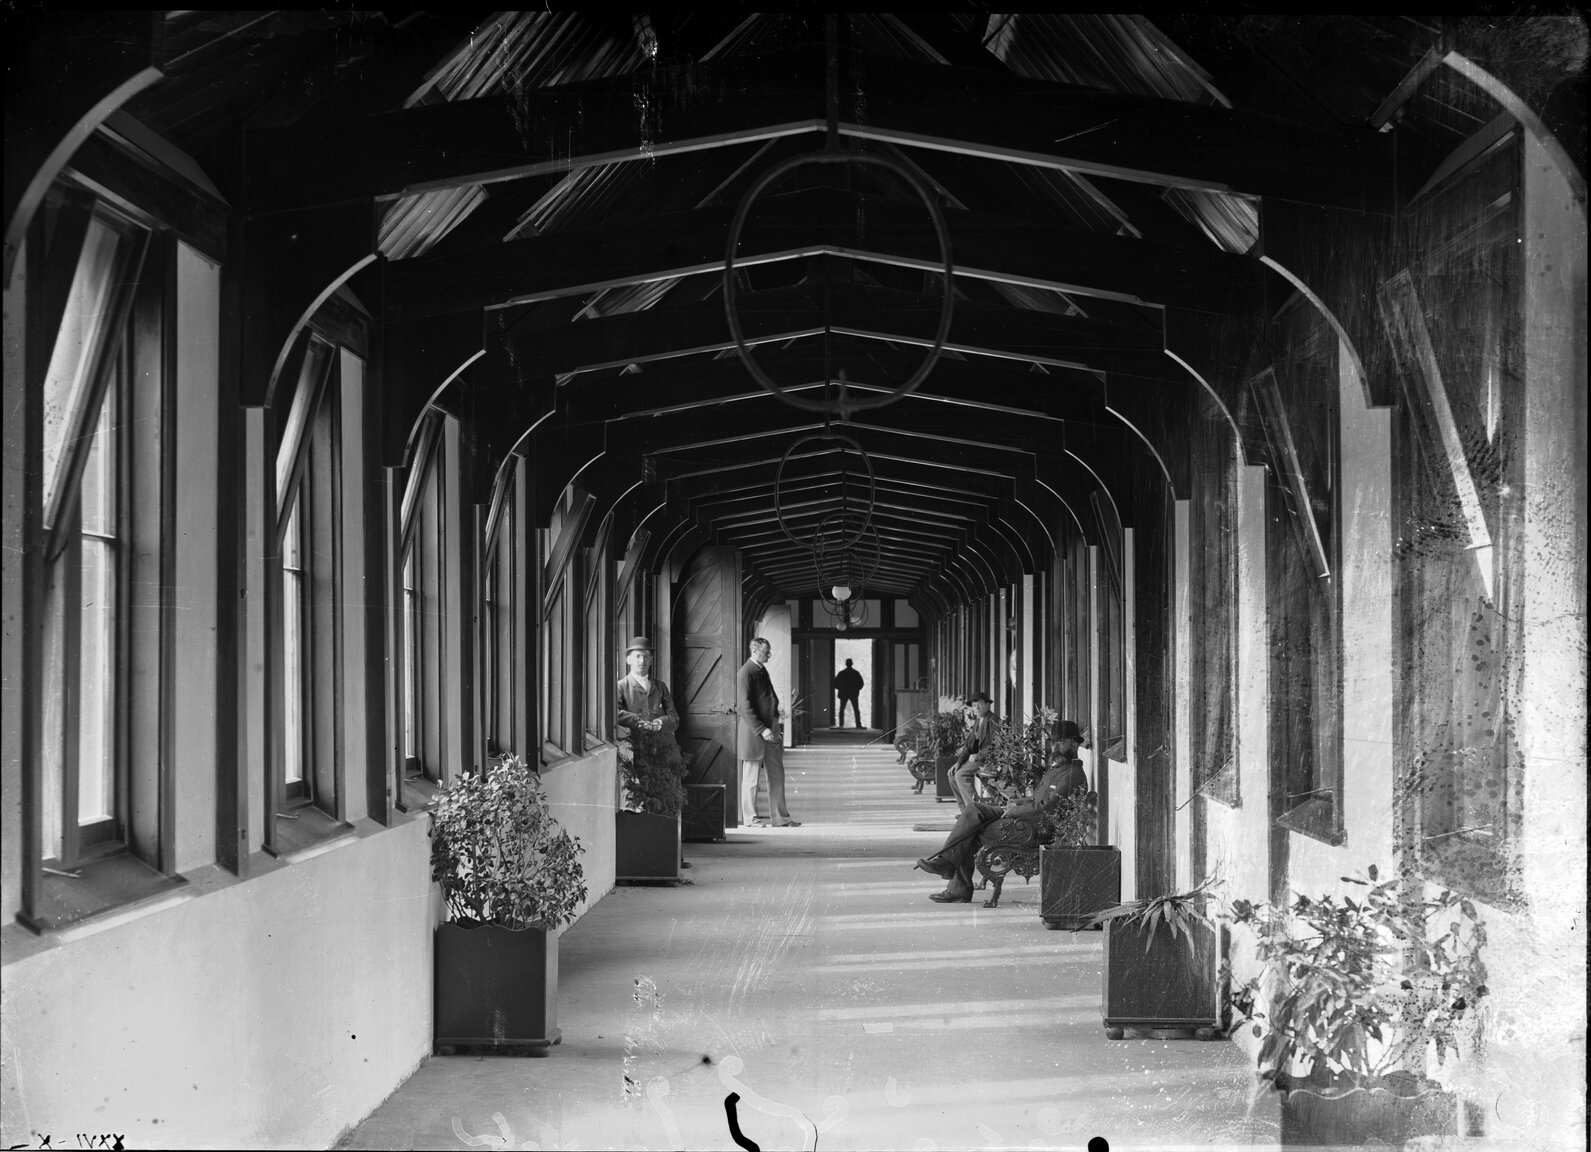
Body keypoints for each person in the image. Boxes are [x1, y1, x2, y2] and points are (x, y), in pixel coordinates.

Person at [915, 719, 1092, 903]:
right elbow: (1036, 799)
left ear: (1073, 743)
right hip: (1027, 820)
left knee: (971, 829)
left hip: (1034, 829)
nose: (1055, 746)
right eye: (1054, 741)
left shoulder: (1073, 774)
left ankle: (954, 880)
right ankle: (947, 866)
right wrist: (1019, 803)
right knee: (974, 811)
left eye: (1060, 741)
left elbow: (1047, 808)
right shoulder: (1058, 769)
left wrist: (1016, 811)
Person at [616, 635, 691, 869]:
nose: (642, 660)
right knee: (643, 801)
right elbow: (616, 713)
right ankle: (648, 857)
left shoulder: (660, 687)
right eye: (637, 656)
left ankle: (674, 855)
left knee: (670, 797)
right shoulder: (621, 687)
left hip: (665, 751)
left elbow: (675, 718)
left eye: (646, 656)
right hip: (638, 752)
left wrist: (660, 723)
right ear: (628, 659)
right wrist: (639, 721)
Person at [736, 637, 800, 828]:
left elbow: (765, 697)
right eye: (766, 652)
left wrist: (775, 714)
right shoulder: (745, 672)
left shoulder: (760, 670)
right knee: (751, 778)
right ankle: (750, 818)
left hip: (769, 729)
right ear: (755, 652)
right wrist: (761, 729)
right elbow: (744, 706)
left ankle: (781, 818)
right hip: (754, 732)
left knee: (777, 774)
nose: (769, 655)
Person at [949, 691, 997, 810]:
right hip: (977, 759)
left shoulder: (993, 720)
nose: (976, 708)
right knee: (952, 773)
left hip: (989, 759)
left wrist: (979, 755)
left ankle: (975, 810)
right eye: (974, 706)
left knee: (961, 775)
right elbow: (969, 746)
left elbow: (996, 745)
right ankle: (965, 811)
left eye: (979, 704)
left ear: (987, 705)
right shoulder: (978, 721)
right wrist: (958, 762)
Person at [832, 658, 864, 728]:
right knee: (856, 709)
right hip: (853, 693)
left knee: (842, 709)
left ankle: (841, 724)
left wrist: (841, 688)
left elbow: (835, 683)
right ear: (852, 664)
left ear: (846, 664)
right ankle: (858, 724)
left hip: (844, 693)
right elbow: (861, 683)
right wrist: (856, 689)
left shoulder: (842, 673)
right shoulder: (855, 673)